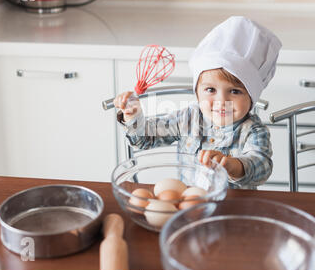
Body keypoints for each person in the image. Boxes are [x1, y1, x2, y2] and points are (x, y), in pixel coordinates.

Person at [114, 16, 282, 189]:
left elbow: (262, 166)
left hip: (235, 207)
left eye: (235, 91)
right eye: (211, 90)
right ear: (197, 93)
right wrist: (133, 116)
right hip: (190, 205)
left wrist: (233, 165)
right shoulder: (188, 118)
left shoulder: (253, 130)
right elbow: (145, 139)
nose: (221, 101)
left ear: (252, 97)